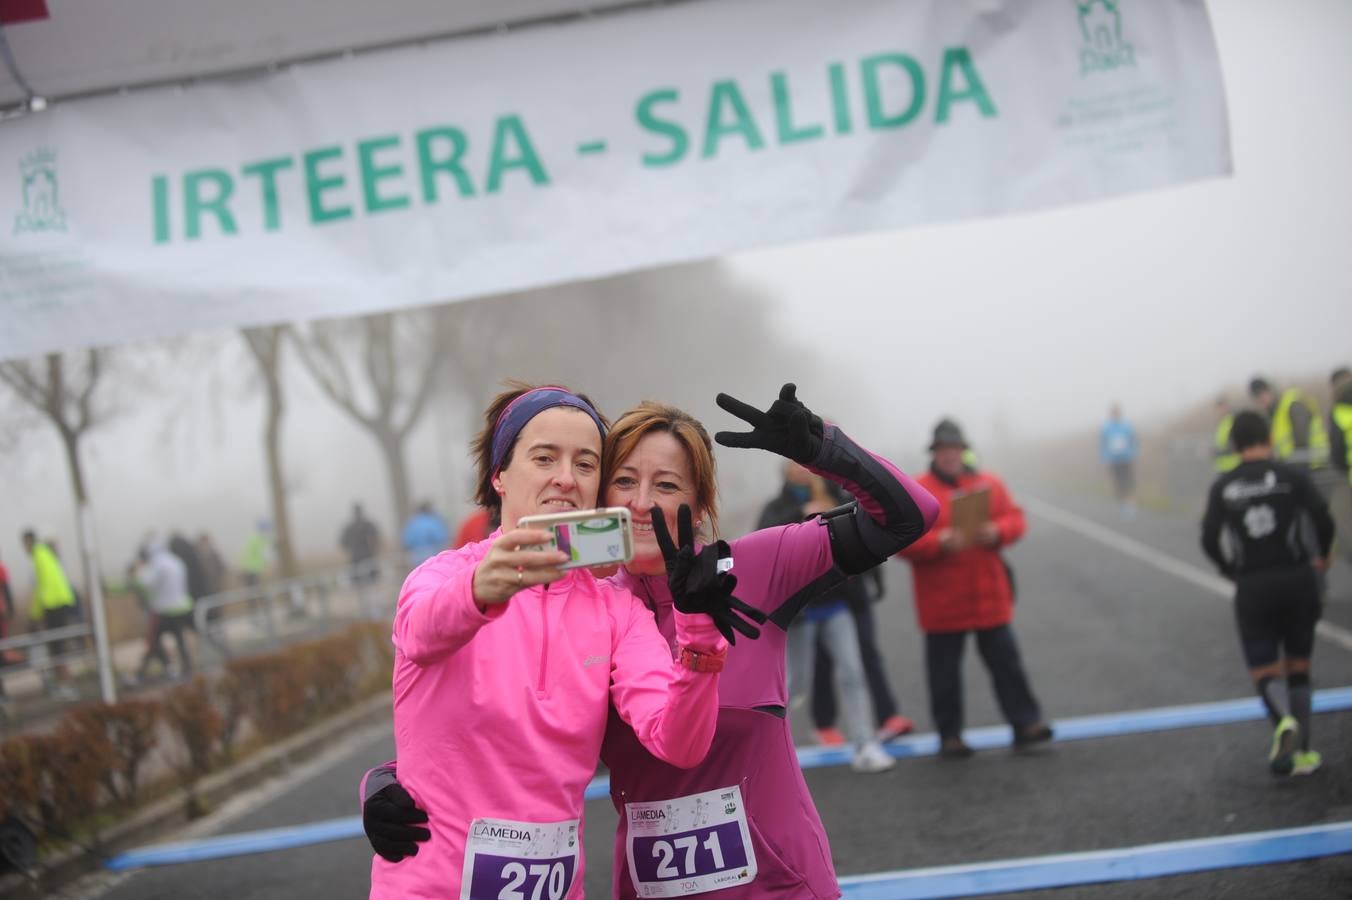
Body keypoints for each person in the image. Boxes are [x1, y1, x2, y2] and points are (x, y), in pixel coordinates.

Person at [362, 384, 939, 898]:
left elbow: (908, 516)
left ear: (700, 503)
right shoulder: (602, 601)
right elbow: (502, 721)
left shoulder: (750, 568)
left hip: (775, 883)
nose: (641, 503)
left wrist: (821, 450)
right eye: (623, 481)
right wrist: (390, 778)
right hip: (645, 886)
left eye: (665, 485)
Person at [366, 383, 750, 900]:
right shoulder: (438, 578)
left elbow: (678, 743)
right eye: (544, 457)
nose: (565, 478)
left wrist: (700, 636)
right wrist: (480, 590)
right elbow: (421, 632)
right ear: (499, 474)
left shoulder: (617, 611)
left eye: (586, 464)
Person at [897, 419, 1052, 759]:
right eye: (943, 450)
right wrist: (938, 542)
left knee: (1007, 664)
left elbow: (1015, 518)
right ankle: (950, 736)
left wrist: (997, 531)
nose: (950, 455)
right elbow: (899, 539)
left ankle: (1026, 724)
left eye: (955, 449)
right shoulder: (917, 490)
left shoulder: (990, 483)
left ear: (963, 451)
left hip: (989, 596)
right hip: (942, 602)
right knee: (944, 675)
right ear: (934, 453)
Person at [1200, 411, 1334, 776]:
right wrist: (1319, 556)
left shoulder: (1224, 486)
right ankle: (1303, 752)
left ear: (1234, 445)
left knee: (1265, 670)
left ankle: (1282, 721)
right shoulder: (1293, 476)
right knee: (1300, 668)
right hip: (1297, 578)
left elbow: (1208, 539)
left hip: (1254, 585)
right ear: (1269, 439)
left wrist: (1230, 569)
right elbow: (1324, 518)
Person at [759, 462, 897, 770]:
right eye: (793, 465)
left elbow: (862, 539)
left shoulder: (834, 497)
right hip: (798, 610)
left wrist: (873, 580)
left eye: (804, 464)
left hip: (837, 603)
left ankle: (865, 744)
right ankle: (769, 753)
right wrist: (799, 517)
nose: (801, 470)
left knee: (852, 672)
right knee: (794, 684)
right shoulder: (776, 506)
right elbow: (764, 544)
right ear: (784, 469)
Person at [21, 530, 78, 699]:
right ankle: (63, 685)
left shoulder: (38, 556)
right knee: (58, 646)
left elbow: (42, 587)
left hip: (54, 604)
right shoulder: (45, 553)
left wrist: (35, 615)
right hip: (61, 601)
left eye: (24, 544)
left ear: (28, 542)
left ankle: (64, 686)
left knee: (56, 647)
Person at [132, 538, 195, 680]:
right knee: (179, 638)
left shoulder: (158, 564)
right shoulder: (175, 561)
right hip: (182, 607)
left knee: (153, 639)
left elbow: (145, 583)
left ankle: (150, 671)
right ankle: (187, 666)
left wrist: (138, 572)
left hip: (164, 610)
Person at [1099, 402, 1139, 518]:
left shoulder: (1126, 426)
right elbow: (1102, 444)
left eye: (1117, 413)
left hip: (1126, 459)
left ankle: (1130, 505)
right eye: (1113, 413)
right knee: (1118, 483)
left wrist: (1133, 453)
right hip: (1113, 460)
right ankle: (1122, 503)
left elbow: (1133, 440)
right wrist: (1104, 457)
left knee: (1128, 481)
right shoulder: (1106, 428)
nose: (1115, 415)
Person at [340, 503, 382, 585]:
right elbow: (376, 540)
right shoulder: (369, 525)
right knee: (372, 584)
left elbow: (343, 544)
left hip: (355, 560)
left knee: (360, 588)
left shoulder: (349, 528)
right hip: (369, 559)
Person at [401, 502, 449, 567]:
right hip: (432, 552)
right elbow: (441, 538)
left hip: (415, 555)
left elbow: (407, 541)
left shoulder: (412, 522)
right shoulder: (433, 521)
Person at [1213, 396, 1241, 474]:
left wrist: (1220, 452)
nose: (1220, 411)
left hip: (1235, 466)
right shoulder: (1221, 424)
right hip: (1224, 467)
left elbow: (1235, 443)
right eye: (1218, 409)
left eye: (1222, 407)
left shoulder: (1233, 421)